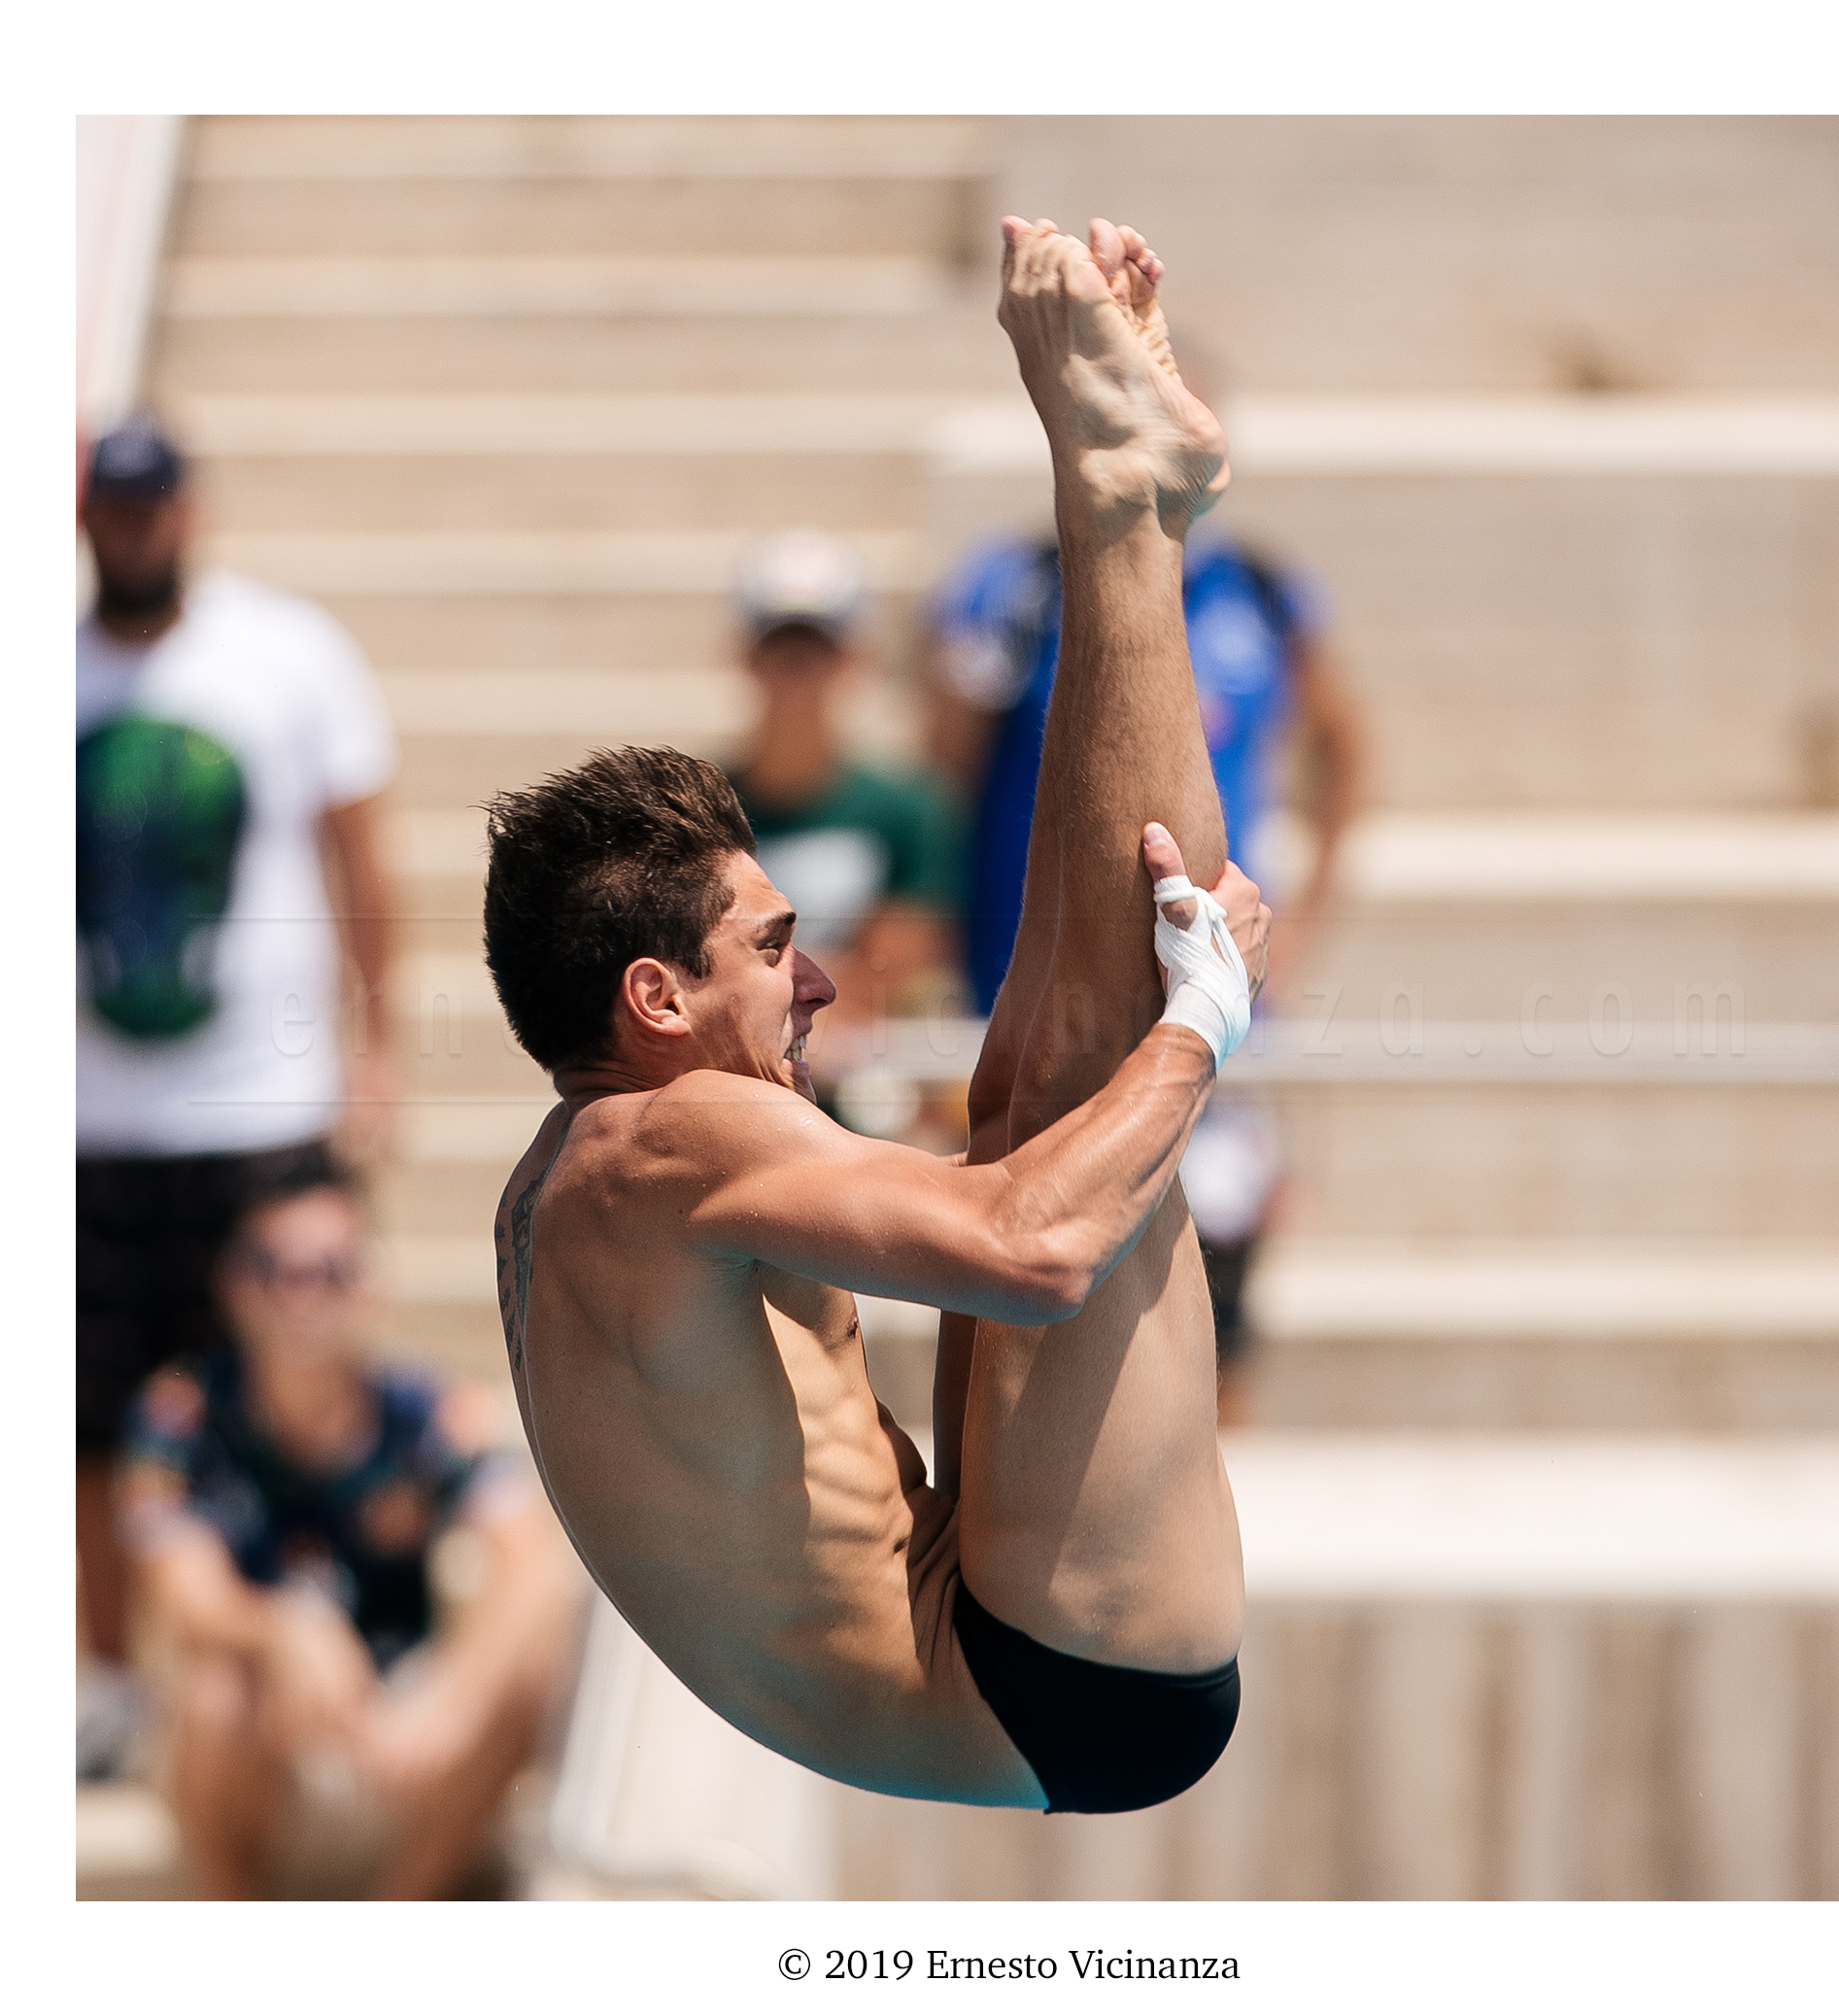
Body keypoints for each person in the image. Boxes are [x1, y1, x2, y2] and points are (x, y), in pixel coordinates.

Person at [483, 215, 1266, 1815]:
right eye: (774, 949)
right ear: (656, 996)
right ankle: (1118, 502)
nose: (821, 979)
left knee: (1022, 1092)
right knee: (1074, 1103)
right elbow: (1037, 1256)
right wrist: (1205, 1023)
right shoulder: (660, 1147)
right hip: (1060, 1681)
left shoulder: (586, 1170)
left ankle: (1126, 502)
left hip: (1002, 1631)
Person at [925, 356, 1366, 1419]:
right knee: (1033, 1291)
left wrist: (1302, 921)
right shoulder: (1009, 592)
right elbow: (943, 781)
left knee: (1217, 1283)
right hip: (1032, 1000)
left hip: (1204, 996)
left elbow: (1342, 746)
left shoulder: (1260, 594)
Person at [77, 416, 401, 1776]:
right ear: (89, 515)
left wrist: (373, 1044)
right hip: (85, 1119)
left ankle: (295, 1644)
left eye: (157, 504)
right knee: (87, 1417)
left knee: (277, 1385)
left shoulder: (286, 653)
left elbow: (358, 862)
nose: (138, 526)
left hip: (258, 1104)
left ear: (190, 510)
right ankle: (106, 1679)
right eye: (116, 504)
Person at [116, 1171, 582, 1898]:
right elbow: (183, 1593)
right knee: (216, 1687)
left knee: (531, 1663)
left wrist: (452, 1702)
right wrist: (282, 1628)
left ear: (369, 1283)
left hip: (393, 1709)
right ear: (234, 1283)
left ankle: (399, 1909)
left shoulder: (424, 1408)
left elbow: (533, 1564)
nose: (304, 1294)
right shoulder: (181, 1417)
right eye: (278, 1268)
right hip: (258, 1726)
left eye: (330, 1270)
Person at [723, 530, 966, 1139]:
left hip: (853, 1087)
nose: (798, 673)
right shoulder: (702, 808)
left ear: (852, 662)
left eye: (816, 651)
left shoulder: (907, 807)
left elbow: (904, 963)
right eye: (782, 650)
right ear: (749, 659)